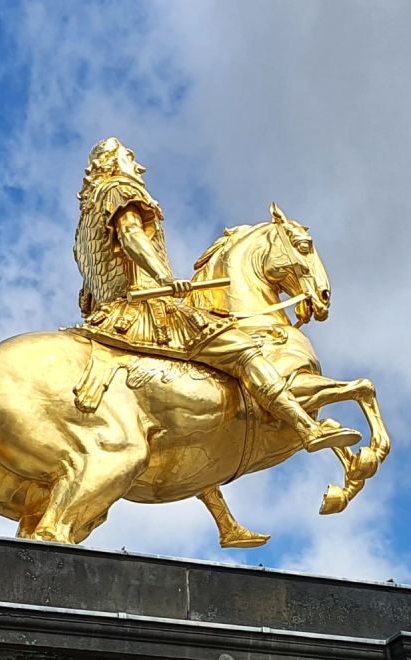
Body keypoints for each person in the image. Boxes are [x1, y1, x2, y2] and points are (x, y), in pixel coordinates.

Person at [72, 137, 360, 452]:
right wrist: (164, 277)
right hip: (143, 316)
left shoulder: (84, 227)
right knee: (244, 350)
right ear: (111, 163)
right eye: (129, 157)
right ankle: (307, 428)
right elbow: (130, 235)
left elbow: (87, 295)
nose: (138, 165)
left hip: (104, 321)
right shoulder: (119, 191)